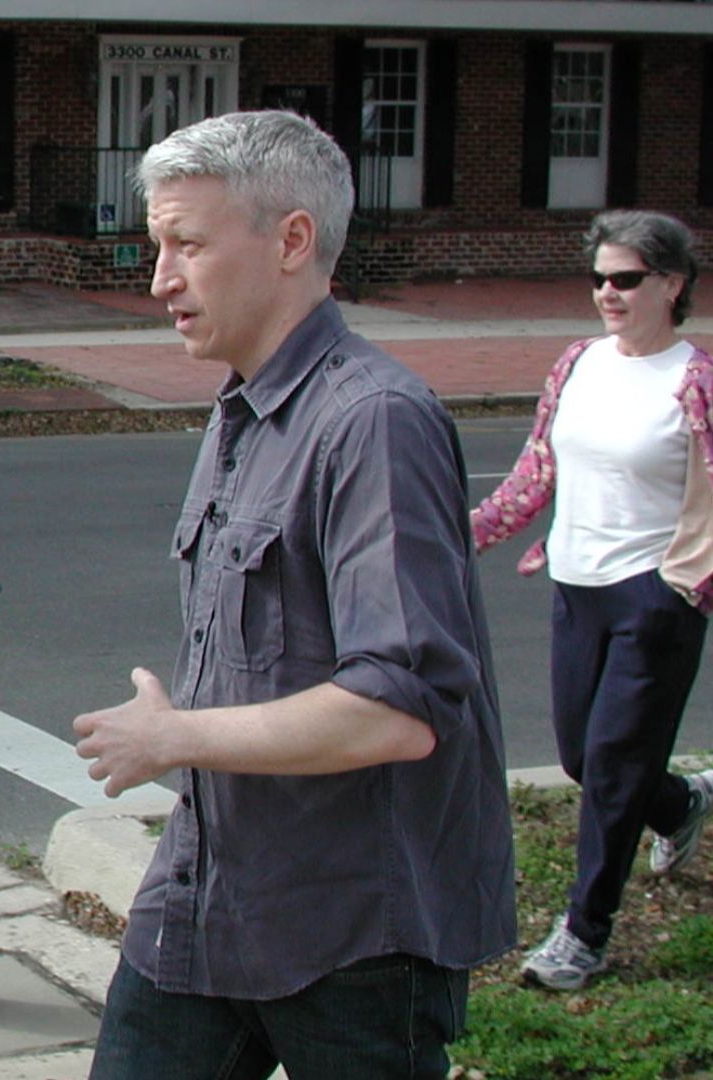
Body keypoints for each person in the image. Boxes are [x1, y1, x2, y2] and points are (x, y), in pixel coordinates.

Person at [70, 110, 515, 1079]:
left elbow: (400, 710)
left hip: (351, 935)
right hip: (206, 898)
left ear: (292, 242)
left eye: (187, 244)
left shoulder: (374, 421)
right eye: (158, 246)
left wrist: (173, 738)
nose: (160, 279)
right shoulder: (241, 406)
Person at [472, 209, 713, 992]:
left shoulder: (695, 379)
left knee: (612, 766)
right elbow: (535, 469)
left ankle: (584, 933)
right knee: (584, 755)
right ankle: (678, 804)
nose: (608, 293)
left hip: (656, 597)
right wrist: (460, 534)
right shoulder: (578, 362)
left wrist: (685, 582)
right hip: (578, 587)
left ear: (672, 285)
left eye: (628, 280)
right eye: (600, 278)